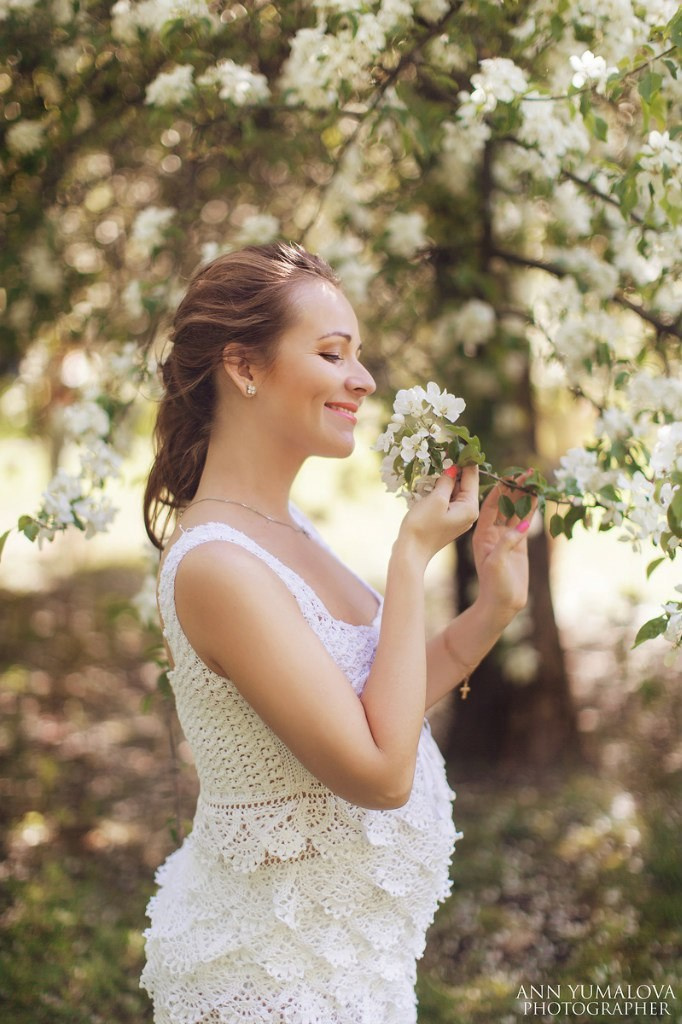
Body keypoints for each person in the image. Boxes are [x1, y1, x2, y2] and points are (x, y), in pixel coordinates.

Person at [140, 242, 534, 1024]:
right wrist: (411, 553)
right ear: (243, 368)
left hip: (352, 974)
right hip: (267, 987)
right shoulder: (218, 565)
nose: (364, 378)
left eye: (359, 355)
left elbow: (375, 705)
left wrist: (491, 610)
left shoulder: (289, 527)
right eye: (332, 353)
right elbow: (380, 776)